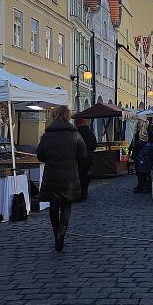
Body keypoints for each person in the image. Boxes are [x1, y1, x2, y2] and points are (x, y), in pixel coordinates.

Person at [36, 105, 88, 252]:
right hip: (69, 175)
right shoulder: (75, 134)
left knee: (53, 206)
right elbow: (83, 155)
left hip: (52, 174)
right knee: (66, 205)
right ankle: (62, 232)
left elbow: (40, 154)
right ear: (67, 115)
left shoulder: (47, 135)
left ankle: (56, 235)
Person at [75, 118, 97, 201]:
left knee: (79, 176)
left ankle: (79, 194)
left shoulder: (76, 133)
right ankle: (84, 193)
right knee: (86, 176)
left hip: (79, 158)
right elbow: (94, 146)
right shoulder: (91, 133)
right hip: (89, 157)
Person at [130, 122, 153, 193]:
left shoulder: (145, 131)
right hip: (142, 154)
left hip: (144, 154)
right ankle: (142, 186)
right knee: (141, 171)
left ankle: (145, 187)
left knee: (143, 172)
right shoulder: (141, 131)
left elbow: (137, 144)